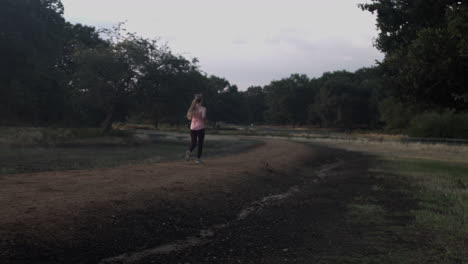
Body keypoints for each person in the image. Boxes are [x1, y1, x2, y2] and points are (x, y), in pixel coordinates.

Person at [185, 94, 206, 164]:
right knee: (200, 144)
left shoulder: (192, 108)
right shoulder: (203, 109)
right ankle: (197, 159)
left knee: (193, 143)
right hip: (200, 128)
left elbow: (189, 117)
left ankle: (189, 151)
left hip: (192, 128)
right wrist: (205, 121)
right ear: (201, 101)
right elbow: (203, 118)